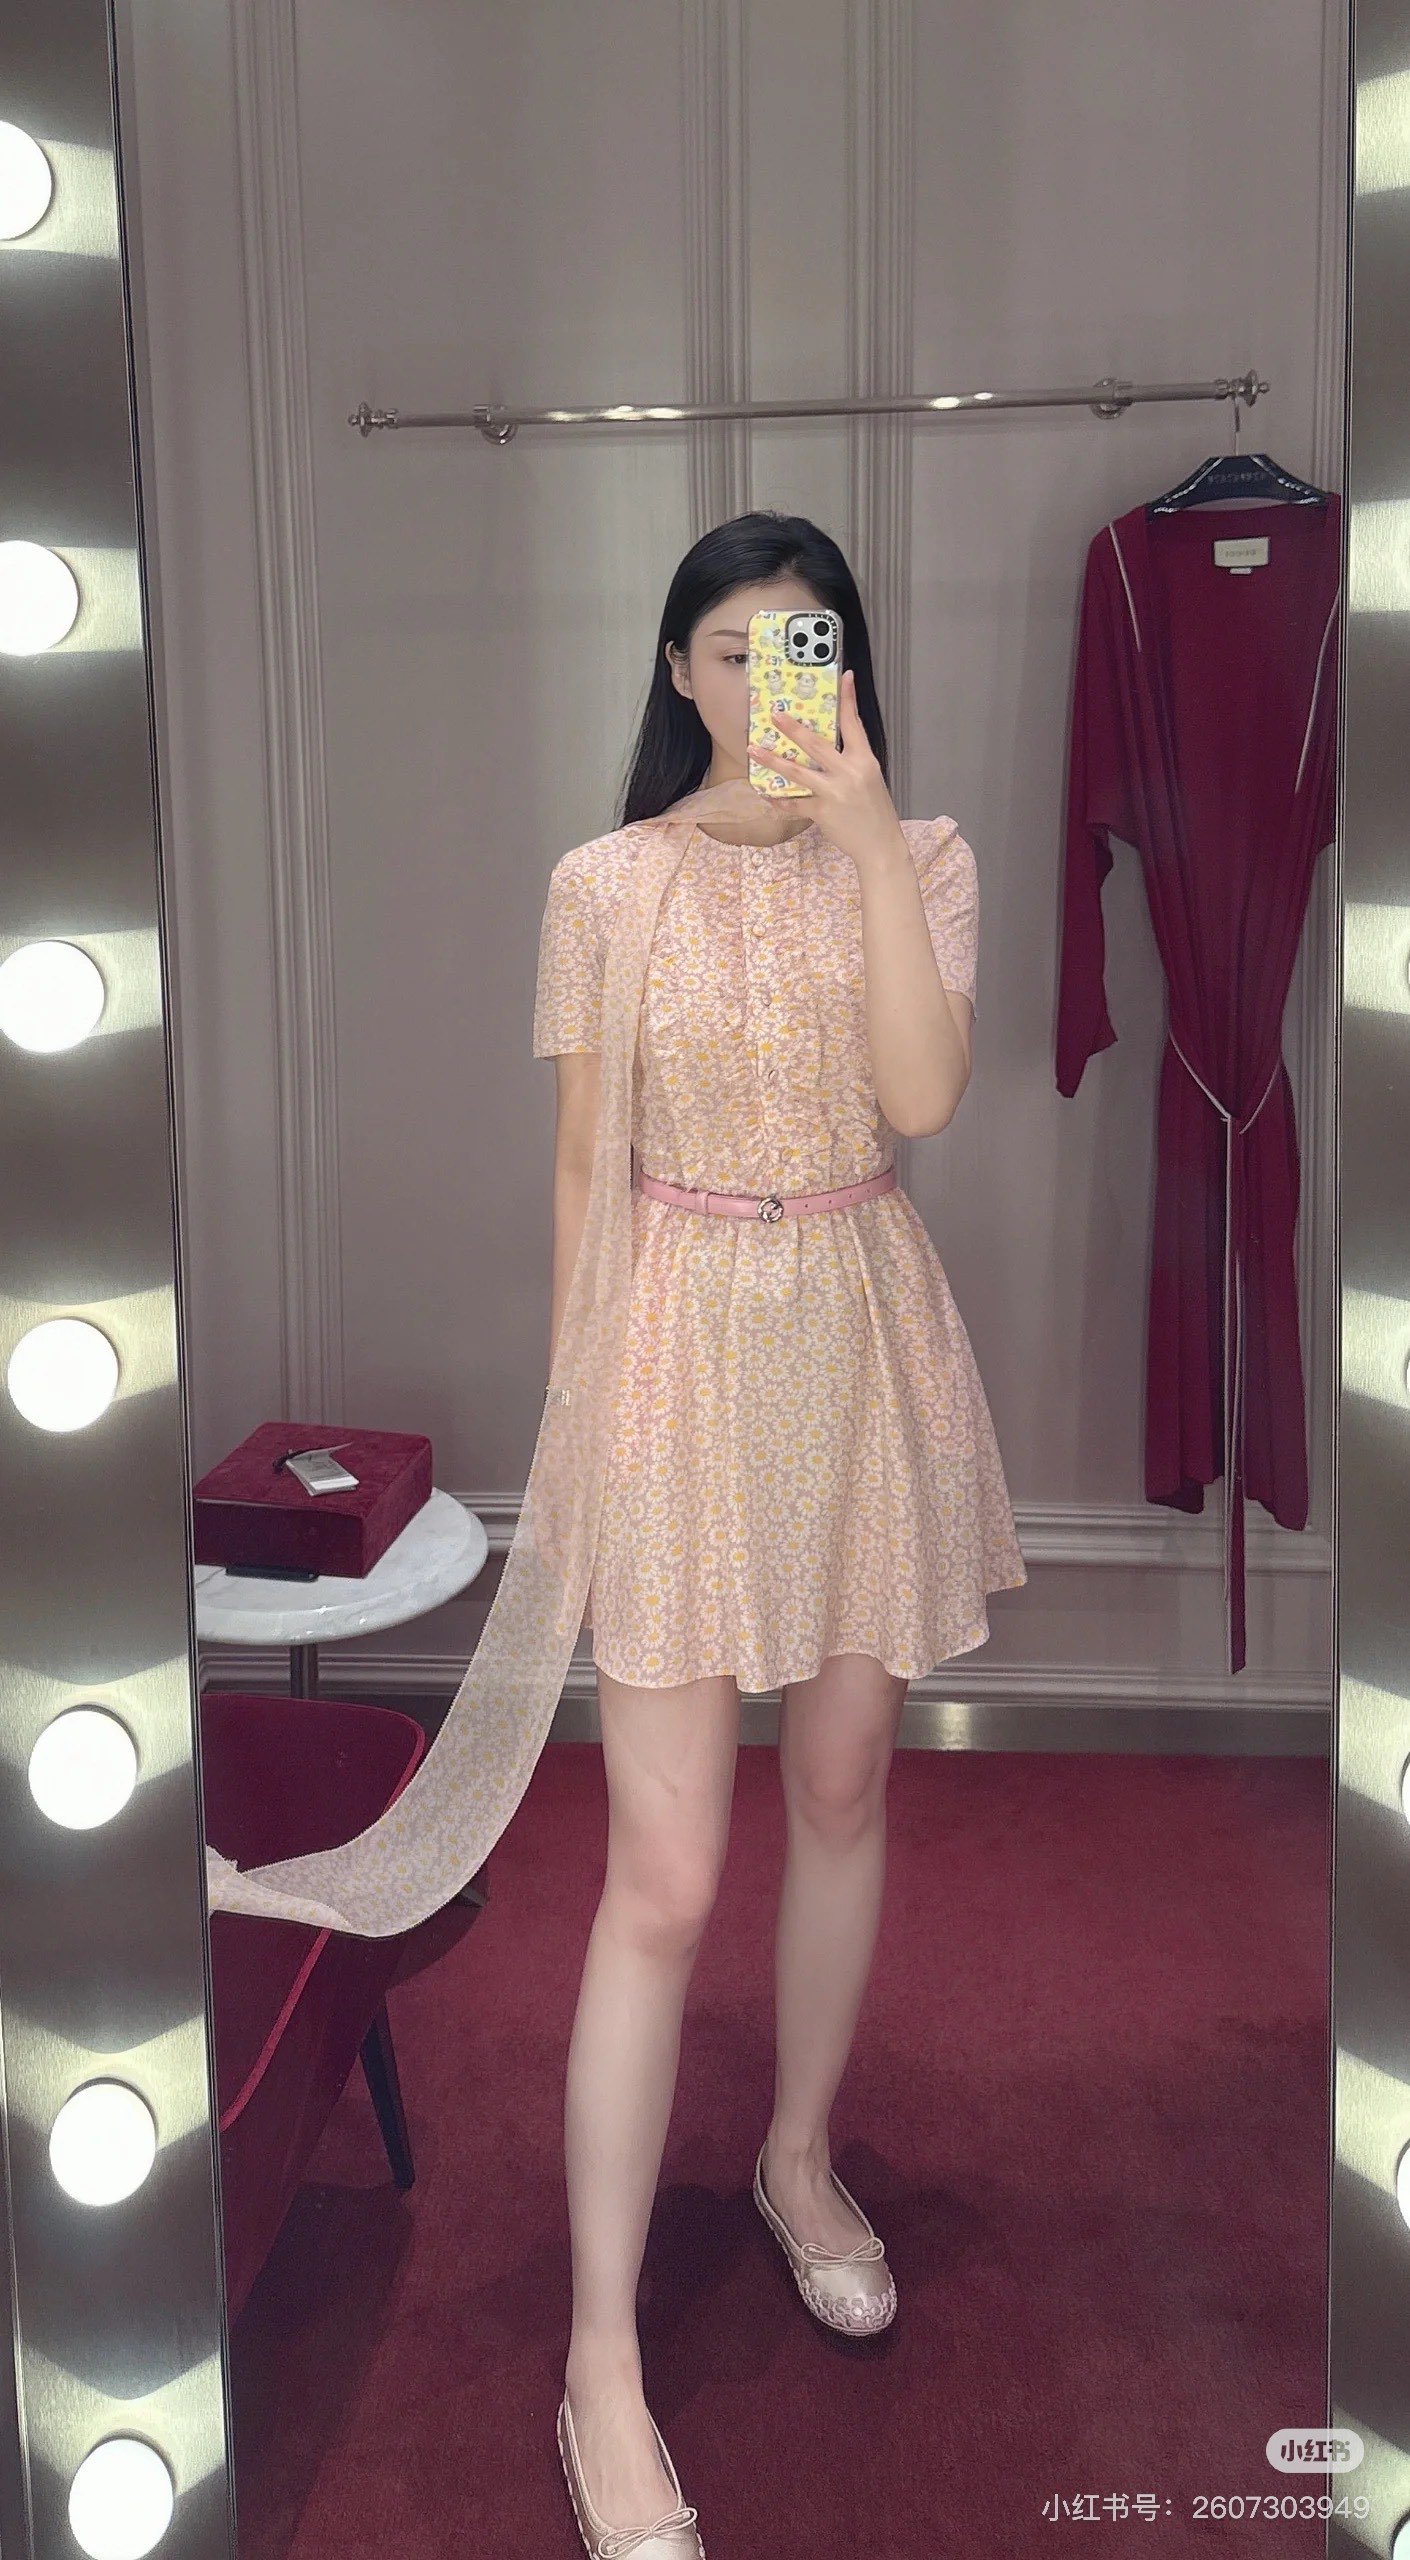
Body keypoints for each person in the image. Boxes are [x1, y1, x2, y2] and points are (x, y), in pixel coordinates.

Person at [537, 510, 1027, 2556]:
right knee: (660, 1873)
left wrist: (869, 837)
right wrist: (578, 1434)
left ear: (847, 664)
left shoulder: (924, 857)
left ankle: (799, 2156)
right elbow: (585, 1171)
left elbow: (921, 1098)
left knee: (841, 1784)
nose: (763, 681)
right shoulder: (605, 882)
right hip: (670, 1349)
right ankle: (599, 2358)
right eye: (731, 648)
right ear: (674, 670)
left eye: (801, 644)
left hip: (859, 1322)